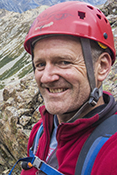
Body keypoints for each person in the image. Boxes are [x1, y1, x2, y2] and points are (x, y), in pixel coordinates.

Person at [21, 1, 117, 175]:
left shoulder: (111, 153)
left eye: (64, 62)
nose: (46, 77)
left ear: (102, 66)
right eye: (40, 64)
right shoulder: (40, 131)